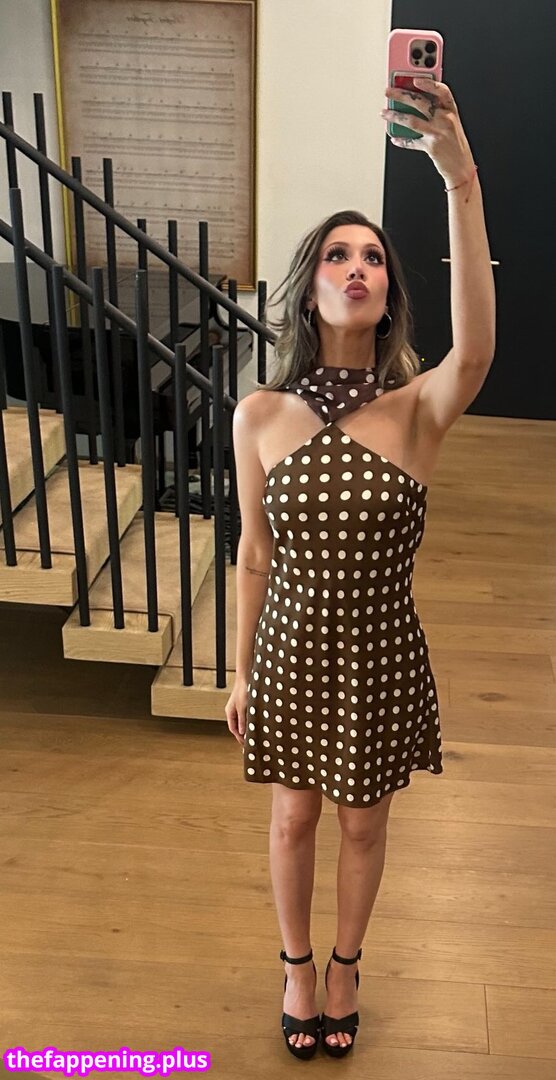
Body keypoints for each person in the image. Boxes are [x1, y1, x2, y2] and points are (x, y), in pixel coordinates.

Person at [225, 78, 495, 1059]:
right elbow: (254, 555)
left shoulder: (417, 410)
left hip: (381, 650)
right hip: (290, 649)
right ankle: (296, 967)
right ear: (310, 289)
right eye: (337, 255)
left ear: (387, 296)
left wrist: (459, 179)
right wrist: (240, 672)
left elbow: (477, 349)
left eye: (372, 257)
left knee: (364, 827)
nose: (356, 267)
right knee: (292, 819)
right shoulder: (260, 415)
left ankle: (346, 965)